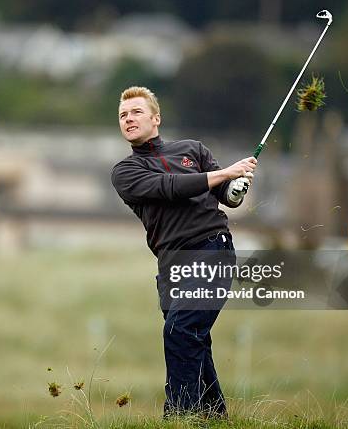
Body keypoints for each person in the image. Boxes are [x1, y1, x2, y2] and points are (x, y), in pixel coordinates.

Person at [110, 86, 256, 418]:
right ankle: (213, 418)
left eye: (135, 112)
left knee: (180, 332)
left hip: (211, 250)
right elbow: (170, 188)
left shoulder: (193, 150)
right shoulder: (125, 172)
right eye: (122, 115)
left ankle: (179, 416)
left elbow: (227, 196)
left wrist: (237, 186)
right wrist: (226, 173)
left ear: (155, 118)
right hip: (171, 266)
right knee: (194, 342)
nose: (128, 119)